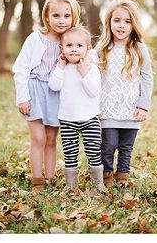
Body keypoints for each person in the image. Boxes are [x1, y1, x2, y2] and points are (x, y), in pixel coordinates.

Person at [12, 0, 81, 191]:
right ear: (47, 17)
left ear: (73, 16)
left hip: (56, 93)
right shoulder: (35, 39)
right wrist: (22, 98)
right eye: (56, 15)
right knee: (39, 138)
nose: (61, 20)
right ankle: (37, 181)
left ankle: (50, 179)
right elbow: (20, 69)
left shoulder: (70, 41)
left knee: (51, 139)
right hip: (35, 91)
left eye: (66, 15)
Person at [91, 0, 153, 189]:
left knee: (126, 147)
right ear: (108, 22)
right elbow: (91, 74)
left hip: (132, 109)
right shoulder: (101, 49)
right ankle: (106, 174)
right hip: (107, 107)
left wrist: (143, 105)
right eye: (117, 20)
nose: (122, 25)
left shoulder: (140, 49)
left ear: (134, 25)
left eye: (127, 21)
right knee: (108, 144)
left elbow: (147, 77)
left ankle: (123, 176)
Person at [48, 26, 104, 191]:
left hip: (90, 118)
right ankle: (70, 184)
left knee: (93, 151)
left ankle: (98, 183)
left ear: (87, 49)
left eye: (79, 46)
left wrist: (84, 72)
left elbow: (94, 91)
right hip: (67, 119)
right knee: (70, 153)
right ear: (62, 49)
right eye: (69, 46)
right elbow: (54, 85)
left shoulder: (92, 69)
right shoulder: (61, 69)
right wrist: (60, 67)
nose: (74, 49)